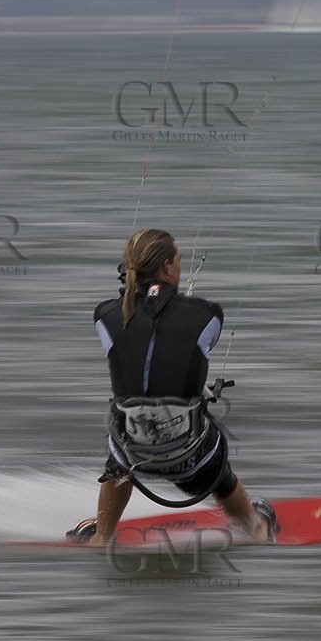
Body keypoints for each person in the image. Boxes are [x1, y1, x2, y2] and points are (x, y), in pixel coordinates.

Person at [67, 228, 275, 546]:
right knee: (219, 468)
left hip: (131, 452)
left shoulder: (104, 315)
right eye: (178, 261)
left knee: (119, 448)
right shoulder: (208, 314)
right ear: (167, 267)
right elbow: (187, 341)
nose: (179, 267)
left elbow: (138, 324)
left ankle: (102, 535)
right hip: (190, 456)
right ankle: (255, 528)